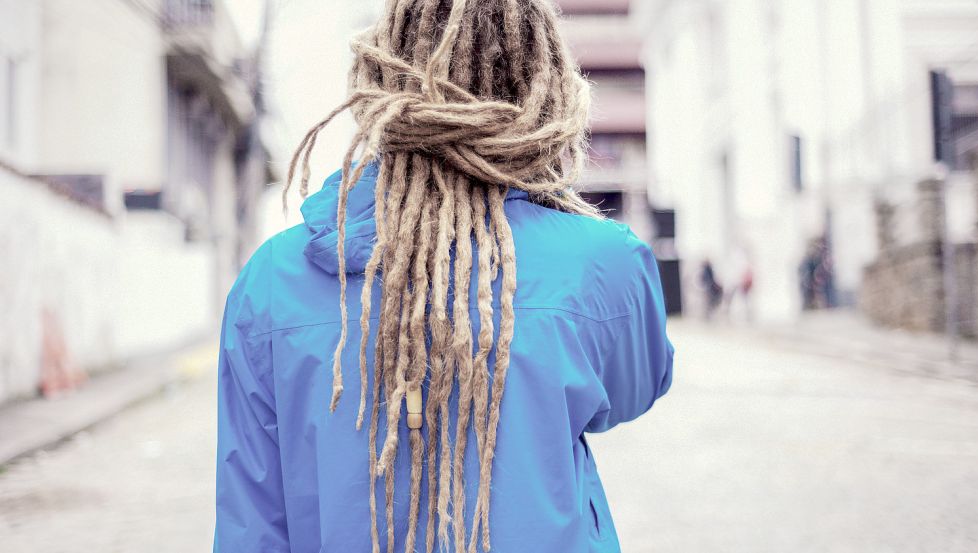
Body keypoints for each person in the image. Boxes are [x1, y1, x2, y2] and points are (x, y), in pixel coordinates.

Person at [213, 1, 674, 552]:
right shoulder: (603, 264)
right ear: (543, 87)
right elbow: (631, 392)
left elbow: (252, 523)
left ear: (383, 78)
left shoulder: (270, 282)